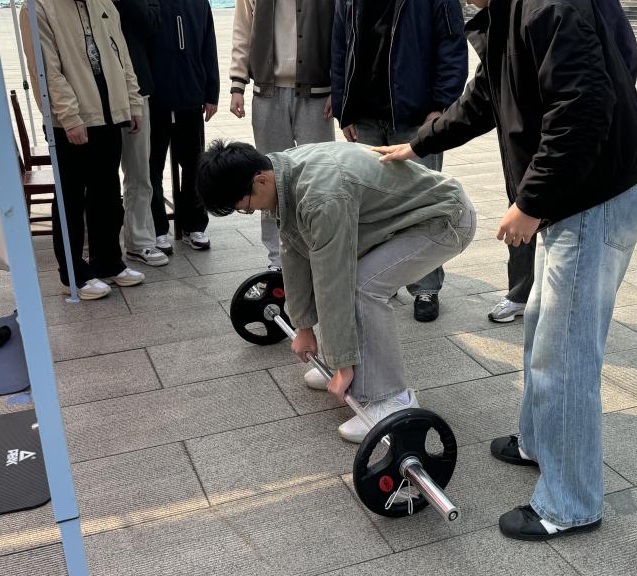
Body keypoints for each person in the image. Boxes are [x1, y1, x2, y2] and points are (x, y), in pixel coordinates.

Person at [374, 0, 637, 540]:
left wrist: (530, 204)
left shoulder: (544, 1)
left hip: (591, 203)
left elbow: (583, 112)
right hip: (573, 201)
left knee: (566, 357)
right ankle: (537, 442)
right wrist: (418, 144)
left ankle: (570, 504)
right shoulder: (511, 3)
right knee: (542, 333)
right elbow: (484, 98)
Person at [197, 140, 476, 442]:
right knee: (353, 285)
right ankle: (358, 371)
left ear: (260, 180)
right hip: (404, 218)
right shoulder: (282, 171)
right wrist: (303, 327)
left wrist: (342, 365)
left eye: (247, 207)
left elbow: (333, 279)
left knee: (363, 287)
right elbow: (294, 251)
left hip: (444, 218)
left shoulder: (321, 196)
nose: (252, 212)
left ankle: (392, 399)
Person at [484, 0, 637, 325]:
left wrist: (582, 130)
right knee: (524, 215)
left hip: (578, 159)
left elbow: (617, 72)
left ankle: (535, 299)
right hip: (540, 148)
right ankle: (521, 293)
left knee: (566, 324)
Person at [331, 0, 468, 323]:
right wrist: (344, 109)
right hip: (366, 117)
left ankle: (426, 287)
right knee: (371, 205)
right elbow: (340, 50)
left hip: (417, 117)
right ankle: (382, 281)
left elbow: (452, 46)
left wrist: (441, 106)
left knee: (424, 203)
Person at [228, 0, 347, 270]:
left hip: (317, 93)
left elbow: (343, 32)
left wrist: (339, 88)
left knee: (319, 175)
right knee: (268, 176)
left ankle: (321, 248)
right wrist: (237, 84)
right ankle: (277, 258)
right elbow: (242, 28)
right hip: (267, 93)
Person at [19, 0, 146, 300]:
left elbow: (122, 57)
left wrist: (132, 103)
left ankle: (109, 262)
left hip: (109, 114)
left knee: (107, 195)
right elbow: (47, 70)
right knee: (71, 199)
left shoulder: (103, 0)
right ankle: (73, 273)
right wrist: (69, 117)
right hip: (70, 122)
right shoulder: (38, 5)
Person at [84, 0, 166, 265]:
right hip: (95, 92)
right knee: (98, 175)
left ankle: (140, 239)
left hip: (137, 90)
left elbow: (150, 27)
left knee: (139, 172)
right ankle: (102, 245)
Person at [146, 0, 219, 252]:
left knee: (194, 165)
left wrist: (211, 93)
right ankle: (157, 227)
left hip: (191, 98)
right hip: (154, 101)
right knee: (152, 168)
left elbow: (208, 49)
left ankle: (194, 225)